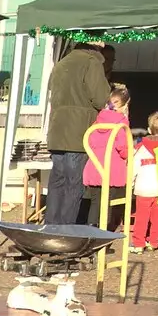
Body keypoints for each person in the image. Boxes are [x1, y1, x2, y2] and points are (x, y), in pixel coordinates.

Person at [45, 40, 110, 225]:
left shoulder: (62, 63)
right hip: (78, 131)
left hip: (57, 129)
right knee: (74, 184)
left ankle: (51, 228)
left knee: (57, 181)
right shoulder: (92, 62)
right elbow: (100, 98)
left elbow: (52, 91)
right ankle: (66, 232)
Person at [82, 84, 132, 229]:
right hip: (111, 167)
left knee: (95, 201)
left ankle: (90, 231)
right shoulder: (121, 122)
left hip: (95, 166)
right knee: (107, 202)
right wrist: (127, 155)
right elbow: (122, 146)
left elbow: (90, 140)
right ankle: (102, 237)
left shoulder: (99, 119)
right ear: (125, 105)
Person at [131, 112, 158, 253]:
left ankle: (138, 243)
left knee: (141, 217)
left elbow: (133, 167)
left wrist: (130, 183)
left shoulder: (141, 148)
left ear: (149, 130)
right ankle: (153, 241)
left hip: (143, 187)